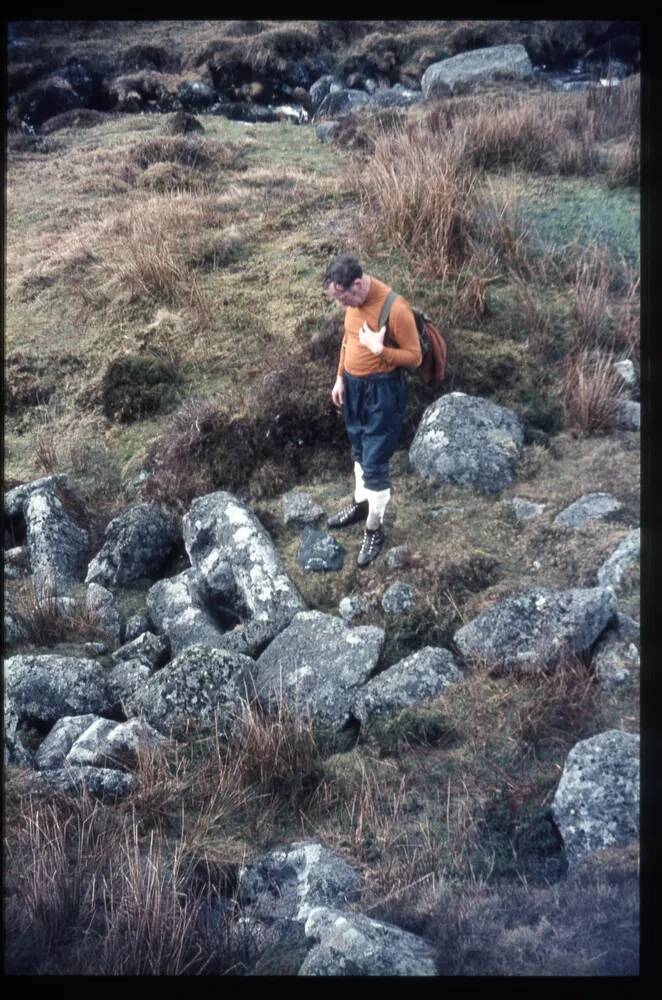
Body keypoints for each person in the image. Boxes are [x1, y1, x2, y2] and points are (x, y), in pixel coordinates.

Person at [323, 254, 422, 567]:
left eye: (342, 297)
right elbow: (347, 341)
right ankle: (361, 504)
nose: (341, 305)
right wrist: (340, 377)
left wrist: (382, 350)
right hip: (353, 390)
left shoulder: (396, 309)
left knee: (375, 463)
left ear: (357, 284)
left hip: (382, 393)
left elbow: (415, 357)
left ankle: (374, 528)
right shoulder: (352, 305)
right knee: (358, 451)